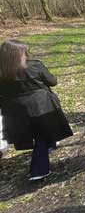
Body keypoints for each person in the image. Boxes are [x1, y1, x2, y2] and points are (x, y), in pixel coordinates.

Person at [0, 40, 73, 180]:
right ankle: (38, 170)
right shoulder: (34, 66)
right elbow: (52, 81)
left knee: (38, 133)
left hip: (15, 111)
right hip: (39, 106)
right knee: (41, 136)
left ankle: (50, 145)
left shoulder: (2, 72)